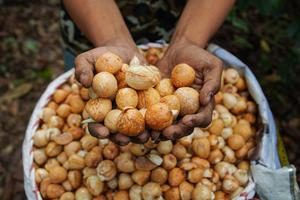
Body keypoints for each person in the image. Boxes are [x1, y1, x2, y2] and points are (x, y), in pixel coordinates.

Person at [61, 0, 235, 145]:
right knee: (85, 74)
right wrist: (111, 39)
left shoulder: (151, 89)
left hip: (177, 17)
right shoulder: (122, 82)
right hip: (92, 24)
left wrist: (188, 40)